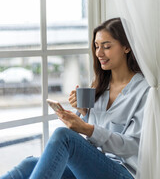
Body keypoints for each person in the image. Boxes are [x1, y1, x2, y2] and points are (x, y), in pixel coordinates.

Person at [1, 18, 150, 179]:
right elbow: (100, 130)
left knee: (63, 136)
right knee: (28, 165)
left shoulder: (145, 90)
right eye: (96, 46)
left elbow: (133, 146)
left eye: (106, 47)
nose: (99, 53)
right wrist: (83, 112)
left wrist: (86, 129)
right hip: (94, 164)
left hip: (123, 172)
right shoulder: (100, 85)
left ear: (126, 47)